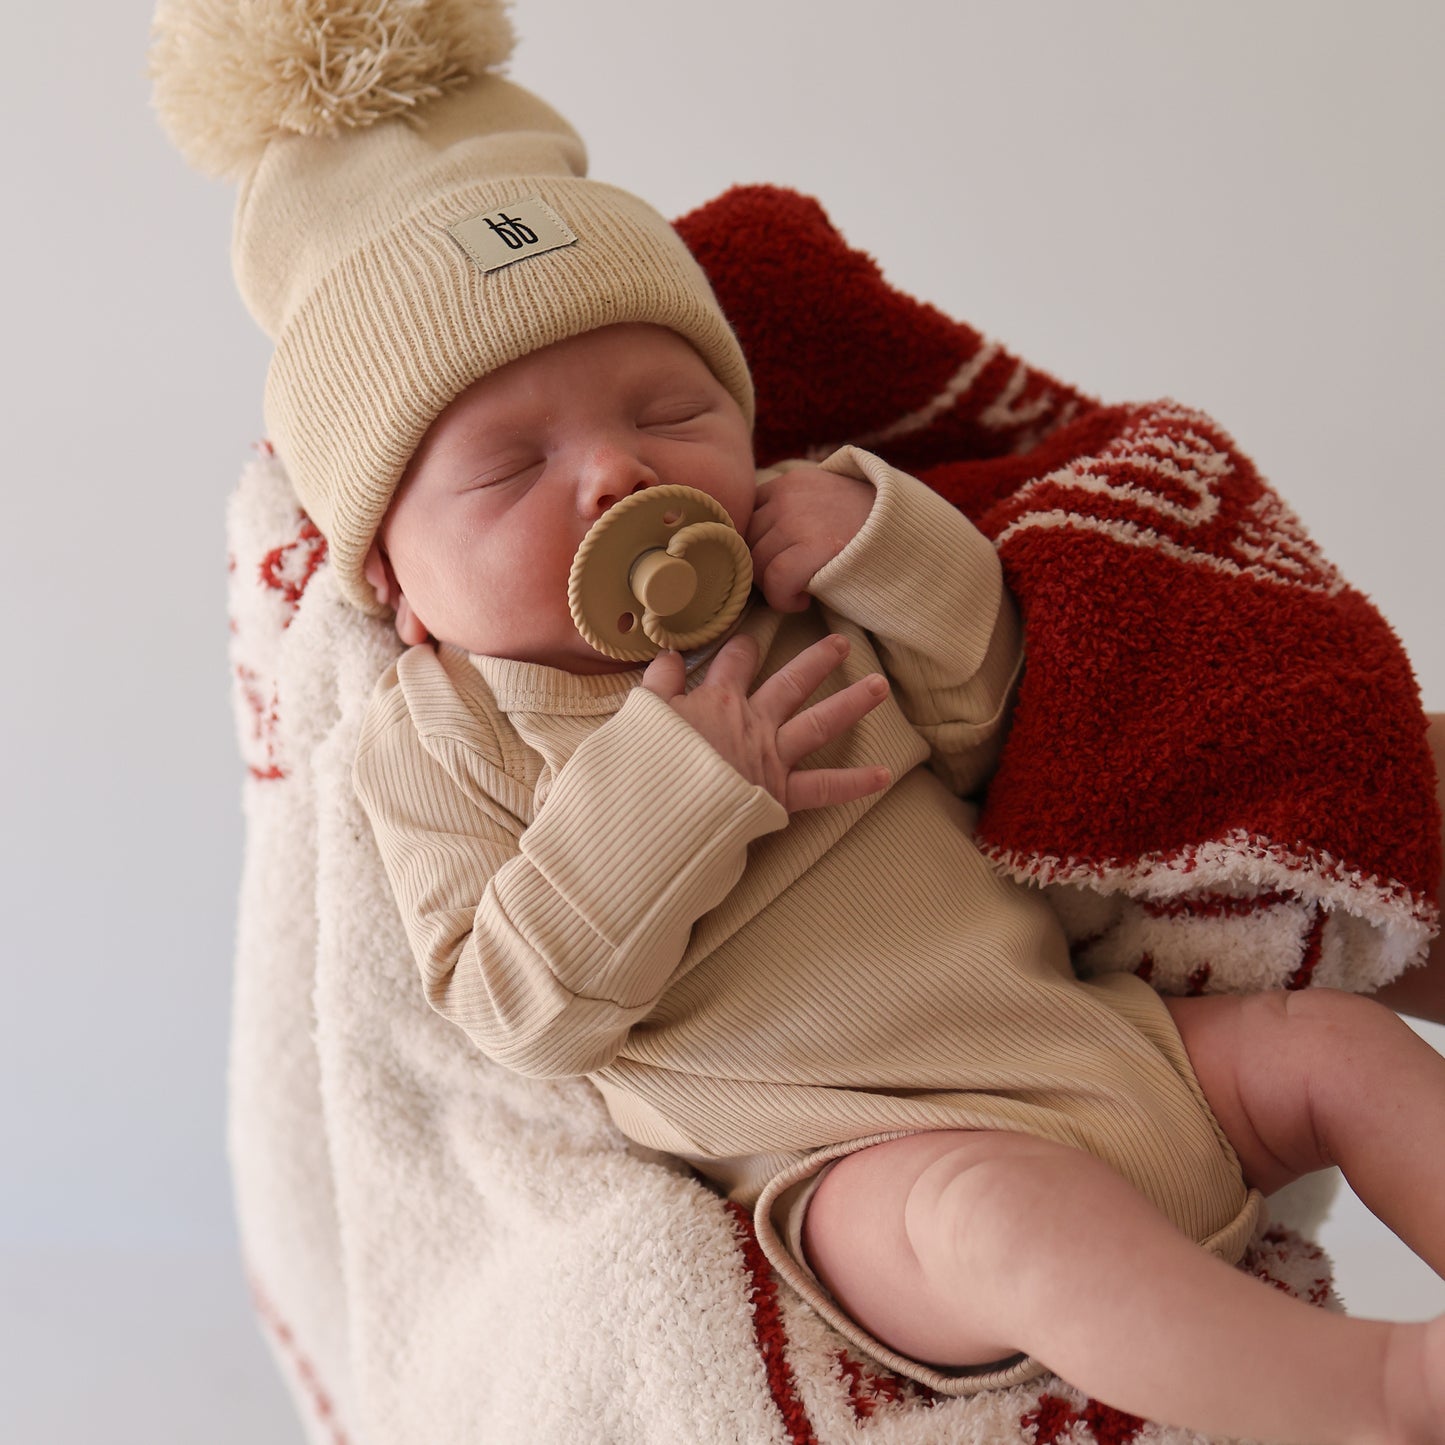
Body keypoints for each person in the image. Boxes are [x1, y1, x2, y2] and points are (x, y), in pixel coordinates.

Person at [149, 4, 1443, 1439]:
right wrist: (675, 781)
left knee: (1331, 1045)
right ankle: (1378, 1392)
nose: (616, 472)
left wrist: (893, 550)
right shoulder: (441, 735)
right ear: (394, 580)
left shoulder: (788, 568)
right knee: (998, 1216)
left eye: (668, 406)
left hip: (1099, 1040)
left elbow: (994, 730)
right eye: (515, 463)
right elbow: (517, 1009)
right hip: (863, 1166)